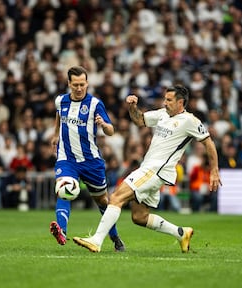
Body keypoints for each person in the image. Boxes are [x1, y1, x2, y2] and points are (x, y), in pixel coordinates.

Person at [73, 85, 222, 253]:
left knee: (116, 197)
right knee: (139, 217)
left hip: (155, 170)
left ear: (181, 102)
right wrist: (132, 107)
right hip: (150, 169)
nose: (165, 103)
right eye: (165, 99)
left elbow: (208, 143)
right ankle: (181, 233)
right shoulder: (163, 114)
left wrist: (214, 170)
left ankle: (96, 240)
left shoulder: (190, 121)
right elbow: (139, 120)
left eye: (169, 100)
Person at [49, 66, 125, 251]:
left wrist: (104, 124)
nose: (79, 88)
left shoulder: (95, 104)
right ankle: (62, 231)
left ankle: (115, 238)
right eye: (75, 85)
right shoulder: (61, 101)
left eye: (82, 84)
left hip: (91, 161)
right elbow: (59, 116)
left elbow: (111, 130)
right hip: (66, 158)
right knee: (63, 189)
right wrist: (55, 134)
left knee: (102, 202)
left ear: (87, 83)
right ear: (69, 84)